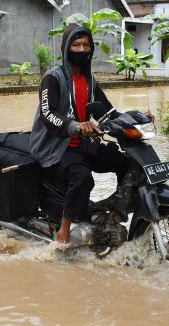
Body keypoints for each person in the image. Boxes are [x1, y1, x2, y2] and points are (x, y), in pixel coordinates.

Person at [30, 24, 137, 244]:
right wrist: (75, 126)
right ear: (66, 48)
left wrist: (136, 119)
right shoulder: (52, 78)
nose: (81, 49)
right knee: (82, 178)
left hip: (83, 143)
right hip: (56, 148)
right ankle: (63, 232)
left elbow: (108, 112)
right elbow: (47, 113)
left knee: (127, 163)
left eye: (86, 45)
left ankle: (114, 211)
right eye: (76, 44)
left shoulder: (89, 80)